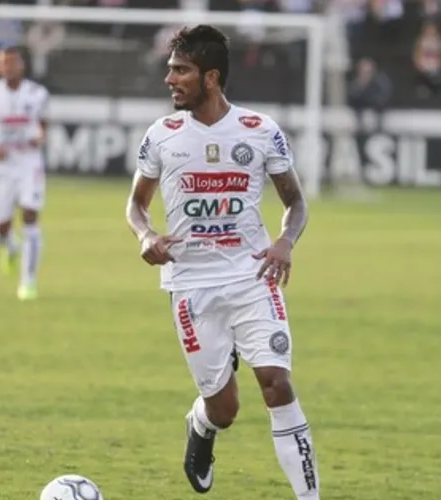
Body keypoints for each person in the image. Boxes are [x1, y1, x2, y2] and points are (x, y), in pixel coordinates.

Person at [124, 25, 320, 499]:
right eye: (170, 69)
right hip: (192, 282)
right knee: (224, 407)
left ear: (211, 78)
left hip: (253, 274)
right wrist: (146, 234)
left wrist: (285, 242)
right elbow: (136, 205)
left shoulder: (260, 131)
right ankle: (201, 425)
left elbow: (295, 202)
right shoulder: (163, 136)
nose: (170, 79)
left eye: (181, 71)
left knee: (276, 384)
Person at [0, 47, 49, 301]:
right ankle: (11, 247)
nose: (7, 68)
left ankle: (28, 282)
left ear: (22, 65)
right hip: (1, 167)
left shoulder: (37, 94)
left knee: (30, 214)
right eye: (3, 64)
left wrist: (40, 138)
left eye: (12, 63)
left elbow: (44, 125)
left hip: (29, 163)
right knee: (0, 230)